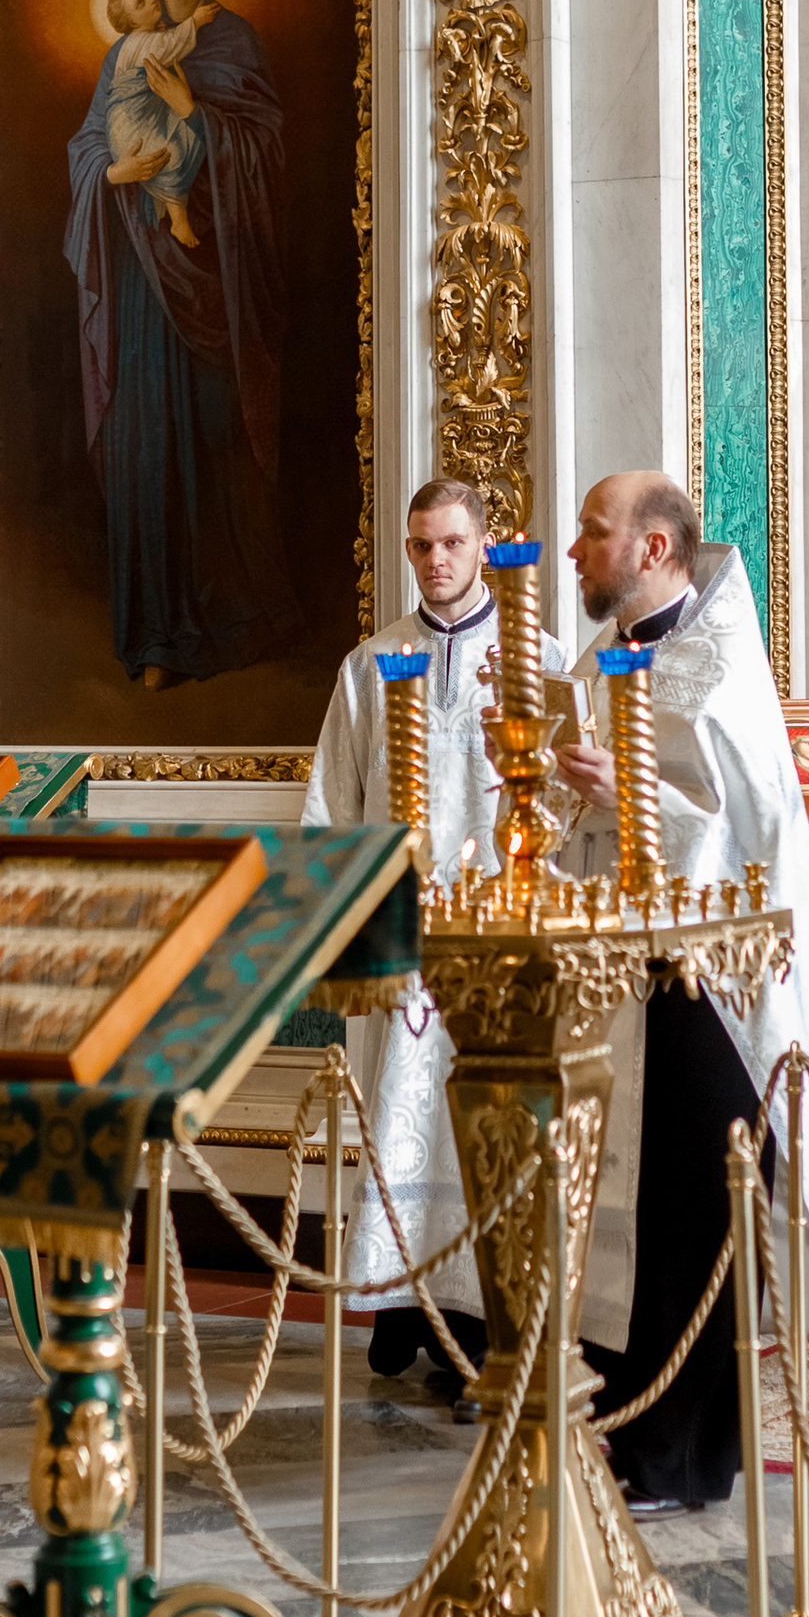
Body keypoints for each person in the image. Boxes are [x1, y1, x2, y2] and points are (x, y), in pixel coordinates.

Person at [552, 471, 809, 1511]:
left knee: (693, 1219)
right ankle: (626, 1428)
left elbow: (741, 833)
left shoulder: (716, 668)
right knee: (630, 1210)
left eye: (595, 533)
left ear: (654, 550)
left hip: (709, 985)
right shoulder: (602, 659)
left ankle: (682, 1457)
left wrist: (622, 791)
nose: (576, 550)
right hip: (622, 975)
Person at [62, 0, 298, 691]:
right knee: (144, 445)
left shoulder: (232, 41)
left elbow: (267, 156)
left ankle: (231, 619)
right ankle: (156, 635)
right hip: (138, 278)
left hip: (214, 287)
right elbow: (91, 142)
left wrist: (195, 114)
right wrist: (111, 174)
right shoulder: (121, 51)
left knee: (211, 442)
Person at [302, 478, 503, 1400]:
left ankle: (472, 1322)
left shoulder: (530, 659)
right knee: (398, 1126)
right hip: (398, 933)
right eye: (422, 545)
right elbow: (332, 810)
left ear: (484, 543)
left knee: (474, 1133)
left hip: (495, 939)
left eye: (453, 543)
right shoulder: (370, 665)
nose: (436, 561)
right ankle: (400, 1309)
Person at [101, 0, 206, 252]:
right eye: (140, 2)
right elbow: (171, 45)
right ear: (132, 22)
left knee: (179, 139)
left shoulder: (145, 38)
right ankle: (178, 221)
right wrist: (194, 22)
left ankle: (171, 210)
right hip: (130, 126)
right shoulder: (141, 42)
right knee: (172, 152)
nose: (151, 0)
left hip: (134, 121)